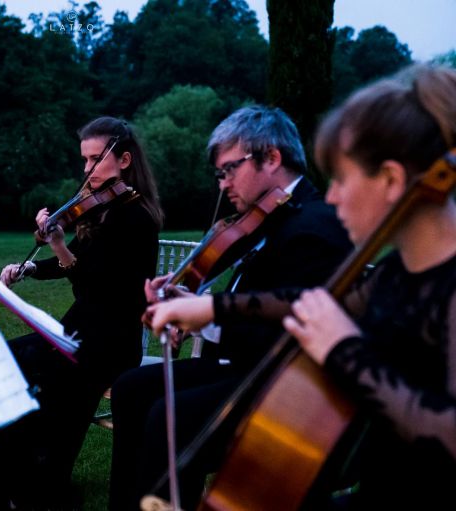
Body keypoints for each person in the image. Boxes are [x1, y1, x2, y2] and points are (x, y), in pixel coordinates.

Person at [148, 65, 456, 509]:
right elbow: (312, 302)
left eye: (341, 180)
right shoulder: (395, 276)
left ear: (390, 180)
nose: (329, 198)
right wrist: (211, 311)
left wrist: (344, 351)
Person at [109, 106, 353, 510]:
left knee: (169, 415)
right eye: (220, 174)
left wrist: (207, 320)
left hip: (285, 383)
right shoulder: (269, 219)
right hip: (245, 362)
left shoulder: (313, 224)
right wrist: (190, 306)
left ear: (271, 158)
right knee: (131, 388)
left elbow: (289, 331)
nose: (223, 185)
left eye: (229, 170)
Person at [0, 116, 162, 510]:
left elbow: (98, 289)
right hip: (80, 330)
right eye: (84, 160)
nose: (87, 170)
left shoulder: (136, 218)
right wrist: (31, 266)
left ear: (125, 160)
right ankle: (6, 473)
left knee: (36, 371)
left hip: (111, 342)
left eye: (96, 160)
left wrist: (61, 249)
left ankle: (37, 480)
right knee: (5, 358)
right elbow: (81, 260)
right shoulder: (100, 209)